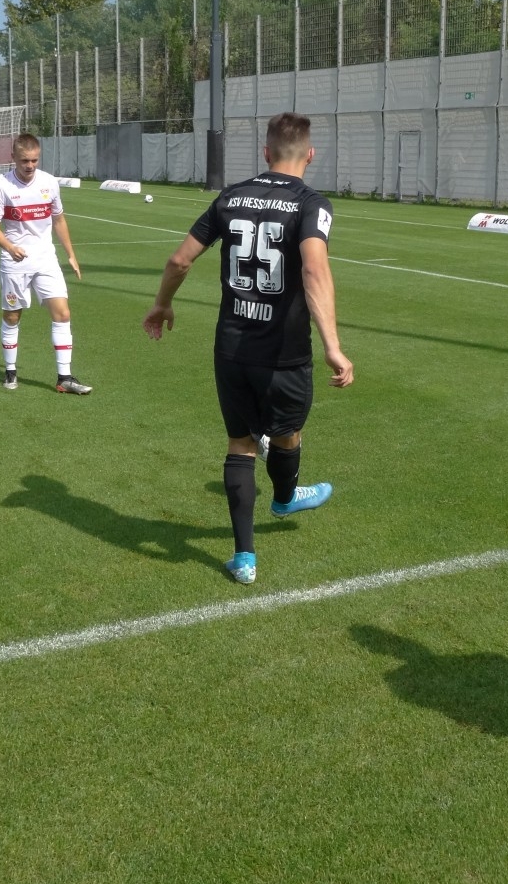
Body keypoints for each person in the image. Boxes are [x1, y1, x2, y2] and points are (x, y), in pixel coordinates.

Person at [142, 112, 353, 586]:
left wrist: (162, 304)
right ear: (310, 154)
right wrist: (333, 346)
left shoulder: (230, 196)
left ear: (265, 152)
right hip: (283, 353)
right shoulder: (311, 203)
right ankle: (285, 497)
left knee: (241, 444)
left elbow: (179, 260)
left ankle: (244, 558)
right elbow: (314, 270)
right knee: (288, 434)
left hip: (231, 348)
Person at [0, 133, 91, 395]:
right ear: (13, 157)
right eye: (24, 161)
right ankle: (10, 371)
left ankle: (64, 378)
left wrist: (71, 254)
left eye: (34, 160)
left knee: (63, 314)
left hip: (46, 259)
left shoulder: (49, 183)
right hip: (15, 262)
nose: (30, 165)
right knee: (12, 317)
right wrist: (10, 247)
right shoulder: (2, 185)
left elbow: (59, 220)